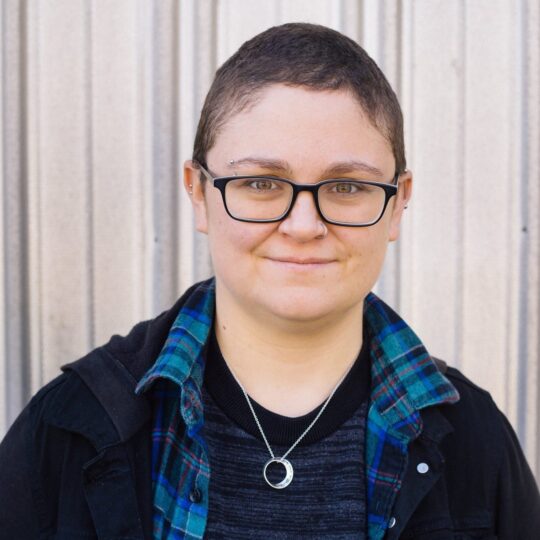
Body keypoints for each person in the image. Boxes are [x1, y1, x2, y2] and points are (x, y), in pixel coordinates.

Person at [0, 22, 539, 540]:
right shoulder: (72, 431)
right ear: (198, 193)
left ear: (398, 204)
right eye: (261, 182)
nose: (303, 226)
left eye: (348, 187)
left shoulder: (475, 442)